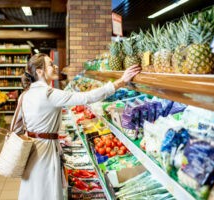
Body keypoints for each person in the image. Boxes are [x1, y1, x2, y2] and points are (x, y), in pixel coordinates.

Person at [10, 53, 141, 200]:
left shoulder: (25, 94)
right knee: (47, 191)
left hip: (31, 149)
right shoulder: (49, 94)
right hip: (46, 150)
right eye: (51, 64)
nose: (56, 66)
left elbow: (15, 127)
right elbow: (88, 97)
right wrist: (121, 81)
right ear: (39, 72)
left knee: (33, 189)